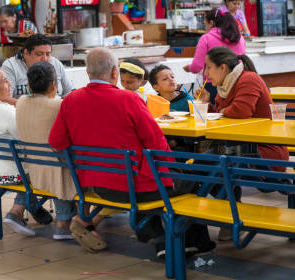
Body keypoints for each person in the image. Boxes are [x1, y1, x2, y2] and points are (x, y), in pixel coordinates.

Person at [49, 48, 215, 256]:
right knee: (188, 180)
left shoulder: (71, 101)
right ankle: (188, 243)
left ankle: (159, 239)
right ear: (114, 73)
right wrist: (174, 171)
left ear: (88, 73)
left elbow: (56, 141)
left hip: (96, 187)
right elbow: (157, 143)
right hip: (135, 186)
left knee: (156, 181)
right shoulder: (129, 100)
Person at [0, 65, 50, 235]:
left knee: (30, 163)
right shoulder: (5, 112)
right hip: (11, 175)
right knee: (49, 163)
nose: (10, 84)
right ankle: (18, 211)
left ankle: (33, 208)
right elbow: (30, 139)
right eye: (5, 81)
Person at [195, 47, 289, 167]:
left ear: (223, 68)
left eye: (208, 67)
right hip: (236, 148)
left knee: (208, 165)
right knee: (200, 163)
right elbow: (223, 116)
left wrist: (223, 111)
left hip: (263, 151)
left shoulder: (249, 79)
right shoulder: (225, 85)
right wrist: (206, 104)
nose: (206, 73)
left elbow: (240, 111)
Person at [16, 62, 78, 241]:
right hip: (59, 171)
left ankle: (63, 224)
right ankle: (64, 224)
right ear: (53, 85)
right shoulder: (60, 105)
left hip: (33, 169)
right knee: (66, 165)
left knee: (58, 164)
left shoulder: (21, 102)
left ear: (29, 85)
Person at [1, 34, 73, 103]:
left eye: (48, 54)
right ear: (26, 53)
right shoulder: (10, 66)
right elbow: (5, 98)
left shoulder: (56, 63)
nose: (45, 59)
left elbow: (69, 92)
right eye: (39, 54)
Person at [184, 8, 245, 75]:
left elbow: (196, 67)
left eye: (205, 25)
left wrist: (188, 68)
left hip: (213, 81)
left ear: (211, 23)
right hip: (237, 79)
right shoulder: (239, 37)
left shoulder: (206, 38)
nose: (205, 28)